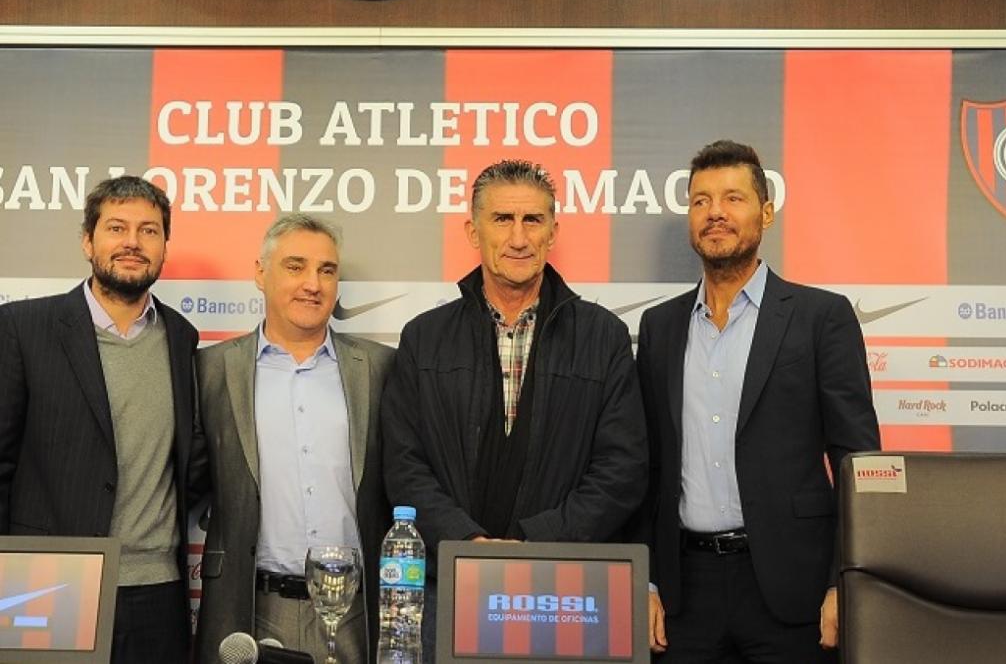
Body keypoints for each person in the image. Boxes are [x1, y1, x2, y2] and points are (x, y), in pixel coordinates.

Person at [382, 159, 648, 658]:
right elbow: (403, 464)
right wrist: (467, 544)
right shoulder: (424, 337)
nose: (519, 238)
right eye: (503, 219)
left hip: (563, 592)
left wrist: (537, 545)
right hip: (449, 588)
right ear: (472, 230)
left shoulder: (603, 337)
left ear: (553, 231)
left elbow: (622, 469)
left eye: (533, 221)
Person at [637, 140, 881, 663]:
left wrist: (845, 580)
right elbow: (648, 466)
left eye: (733, 198)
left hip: (793, 591)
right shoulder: (659, 327)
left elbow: (856, 460)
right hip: (685, 594)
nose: (715, 213)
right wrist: (649, 582)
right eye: (700, 201)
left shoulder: (821, 318)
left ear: (766, 211)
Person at [0, 175, 200, 664]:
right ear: (89, 241)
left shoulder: (181, 336)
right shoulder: (23, 328)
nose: (133, 242)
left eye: (149, 231)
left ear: (164, 246)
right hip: (47, 580)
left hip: (157, 587)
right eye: (117, 227)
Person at [193, 214, 393, 664]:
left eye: (327, 270)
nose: (313, 284)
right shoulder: (211, 370)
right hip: (252, 609)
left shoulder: (381, 369)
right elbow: (184, 480)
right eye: (296, 266)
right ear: (261, 274)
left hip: (356, 614)